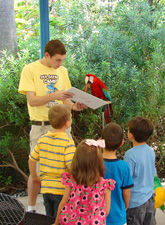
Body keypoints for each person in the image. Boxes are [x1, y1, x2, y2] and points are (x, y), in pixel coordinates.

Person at [18, 39, 87, 212]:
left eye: (62, 60)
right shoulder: (30, 69)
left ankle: (69, 207)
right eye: (57, 60)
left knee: (69, 168)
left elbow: (65, 98)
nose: (60, 64)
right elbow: (32, 101)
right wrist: (53, 95)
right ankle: (31, 209)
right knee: (37, 173)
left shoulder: (62, 71)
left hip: (63, 128)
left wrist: (74, 106)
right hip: (41, 127)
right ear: (47, 55)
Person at [28, 104, 76, 218]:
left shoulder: (42, 140)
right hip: (61, 191)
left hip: (46, 190)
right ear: (67, 123)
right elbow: (70, 166)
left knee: (49, 218)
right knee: (61, 219)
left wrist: (35, 176)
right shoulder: (67, 143)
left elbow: (32, 159)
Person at [54, 139, 116, 225]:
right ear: (98, 162)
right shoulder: (104, 185)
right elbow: (106, 211)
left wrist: (56, 223)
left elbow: (62, 204)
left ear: (76, 161)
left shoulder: (71, 181)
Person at [124, 116, 156, 225]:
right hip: (150, 199)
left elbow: (126, 181)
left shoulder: (130, 155)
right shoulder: (151, 151)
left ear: (131, 134)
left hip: (135, 203)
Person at [102, 123, 134, 225]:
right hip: (118, 217)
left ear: (101, 141)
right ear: (121, 143)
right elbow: (126, 191)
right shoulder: (123, 166)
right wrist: (126, 205)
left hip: (96, 215)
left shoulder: (93, 163)